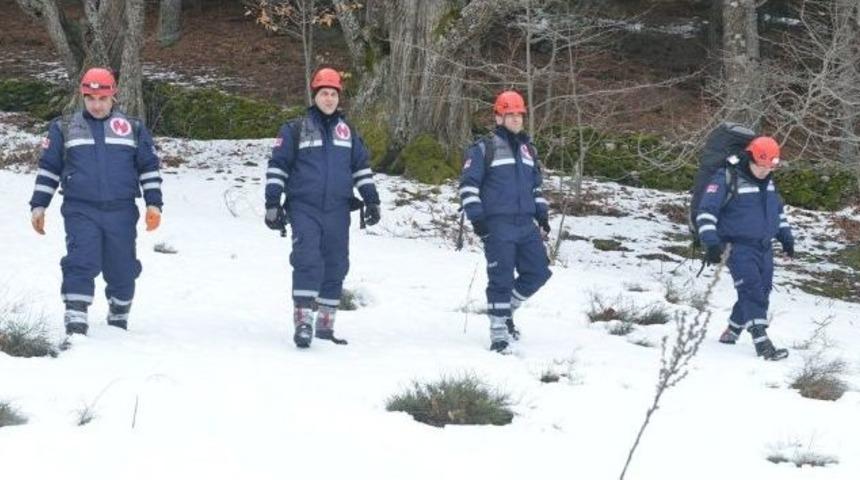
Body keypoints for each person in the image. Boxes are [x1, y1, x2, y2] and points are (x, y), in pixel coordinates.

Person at [29, 67, 163, 335]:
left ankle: (119, 313)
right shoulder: (63, 128)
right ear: (83, 96)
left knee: (122, 266)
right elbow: (49, 169)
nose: (97, 104)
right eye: (90, 98)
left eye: (102, 98)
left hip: (121, 210)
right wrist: (39, 205)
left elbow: (148, 167)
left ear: (113, 95)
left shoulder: (132, 128)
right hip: (80, 209)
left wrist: (154, 203)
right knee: (81, 260)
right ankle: (75, 319)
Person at [264, 67, 381, 348]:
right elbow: (278, 167)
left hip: (338, 209)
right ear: (314, 96)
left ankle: (325, 326)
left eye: (333, 94)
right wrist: (272, 203)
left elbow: (361, 169)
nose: (329, 99)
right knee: (307, 259)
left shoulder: (348, 131)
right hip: (304, 206)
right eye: (324, 93)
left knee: (337, 263)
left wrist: (372, 199)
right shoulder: (295, 129)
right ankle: (303, 321)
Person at [458, 90, 552, 353]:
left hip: (525, 225)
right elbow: (468, 186)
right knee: (500, 278)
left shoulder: (528, 150)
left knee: (539, 272)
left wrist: (542, 215)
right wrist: (478, 220)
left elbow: (536, 188)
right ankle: (498, 331)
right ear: (498, 117)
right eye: (509, 114)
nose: (515, 119)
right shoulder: (483, 149)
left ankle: (507, 309)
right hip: (497, 225)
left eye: (519, 115)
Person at [695, 136, 794, 360]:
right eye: (761, 166)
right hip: (735, 246)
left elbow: (777, 213)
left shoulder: (768, 182)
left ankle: (732, 329)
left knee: (763, 290)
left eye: (770, 168)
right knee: (750, 288)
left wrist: (786, 238)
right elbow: (706, 212)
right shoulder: (725, 178)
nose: (764, 172)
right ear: (750, 158)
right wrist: (711, 243)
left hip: (763, 246)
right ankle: (761, 341)